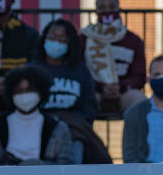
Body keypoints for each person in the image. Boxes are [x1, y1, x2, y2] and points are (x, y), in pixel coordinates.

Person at [31, 19, 109, 164]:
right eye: (52, 37)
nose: (56, 42)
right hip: (39, 128)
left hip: (73, 129)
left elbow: (89, 106)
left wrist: (70, 122)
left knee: (76, 142)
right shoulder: (33, 69)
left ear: (70, 43)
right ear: (43, 39)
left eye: (62, 39)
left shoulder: (80, 70)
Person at [0, 64, 74, 166]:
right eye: (19, 91)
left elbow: (66, 166)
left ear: (41, 92)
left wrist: (38, 166)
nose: (24, 95)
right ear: (11, 94)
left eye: (30, 90)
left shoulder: (58, 128)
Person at [79, 0, 147, 114]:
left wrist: (121, 86)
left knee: (139, 100)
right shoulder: (85, 39)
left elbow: (139, 75)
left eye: (111, 6)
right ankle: (83, 133)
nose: (107, 11)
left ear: (118, 9)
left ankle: (134, 133)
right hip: (96, 92)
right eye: (102, 8)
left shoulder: (132, 40)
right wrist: (101, 87)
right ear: (96, 11)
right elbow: (79, 71)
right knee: (84, 100)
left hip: (124, 93)